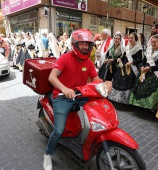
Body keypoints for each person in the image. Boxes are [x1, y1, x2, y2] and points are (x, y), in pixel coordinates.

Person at [43, 28, 112, 170]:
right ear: (75, 44)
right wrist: (64, 89)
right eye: (82, 44)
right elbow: (52, 77)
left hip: (80, 94)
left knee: (98, 106)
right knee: (58, 130)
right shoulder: (65, 58)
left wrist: (105, 84)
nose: (85, 47)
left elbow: (96, 79)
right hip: (62, 96)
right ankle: (48, 154)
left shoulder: (88, 62)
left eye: (88, 44)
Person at [129, 35, 158, 111]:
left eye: (155, 42)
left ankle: (151, 106)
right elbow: (143, 61)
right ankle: (141, 105)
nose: (153, 44)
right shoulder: (149, 50)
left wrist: (150, 68)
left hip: (155, 72)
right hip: (145, 71)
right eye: (152, 42)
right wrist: (142, 66)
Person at [108, 32, 143, 104]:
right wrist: (120, 59)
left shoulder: (138, 48)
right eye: (129, 38)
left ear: (136, 39)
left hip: (132, 67)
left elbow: (140, 59)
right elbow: (123, 56)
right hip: (124, 65)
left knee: (128, 81)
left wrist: (132, 62)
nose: (130, 39)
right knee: (118, 79)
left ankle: (126, 100)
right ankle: (116, 98)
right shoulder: (127, 47)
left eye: (132, 38)